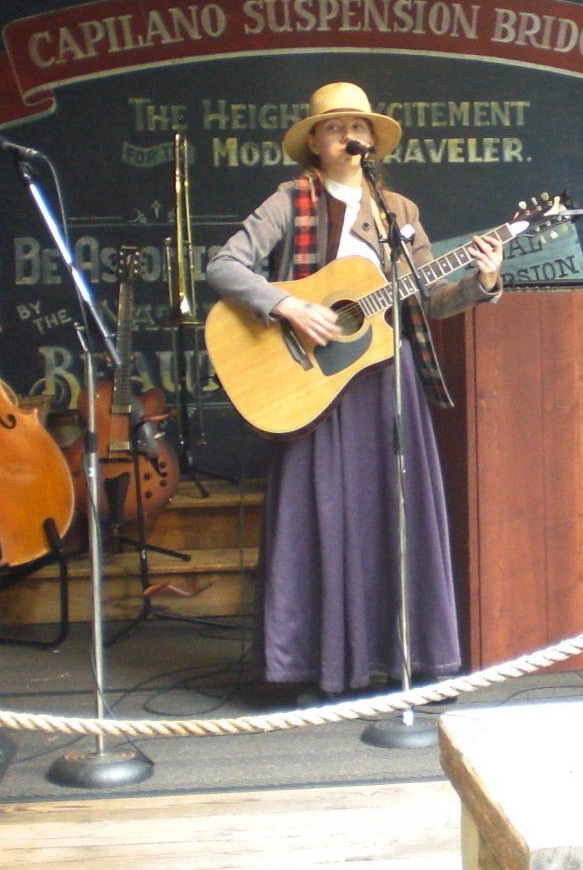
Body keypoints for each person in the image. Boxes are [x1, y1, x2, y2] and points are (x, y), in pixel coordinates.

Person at [206, 82, 504, 698]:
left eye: (359, 126)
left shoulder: (400, 211)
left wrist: (484, 278)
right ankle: (311, 665)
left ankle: (402, 658)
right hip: (310, 385)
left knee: (395, 513)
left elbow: (430, 298)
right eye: (336, 126)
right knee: (315, 516)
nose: (351, 135)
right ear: (314, 141)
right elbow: (224, 266)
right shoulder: (290, 201)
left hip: (384, 381)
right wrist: (288, 305)